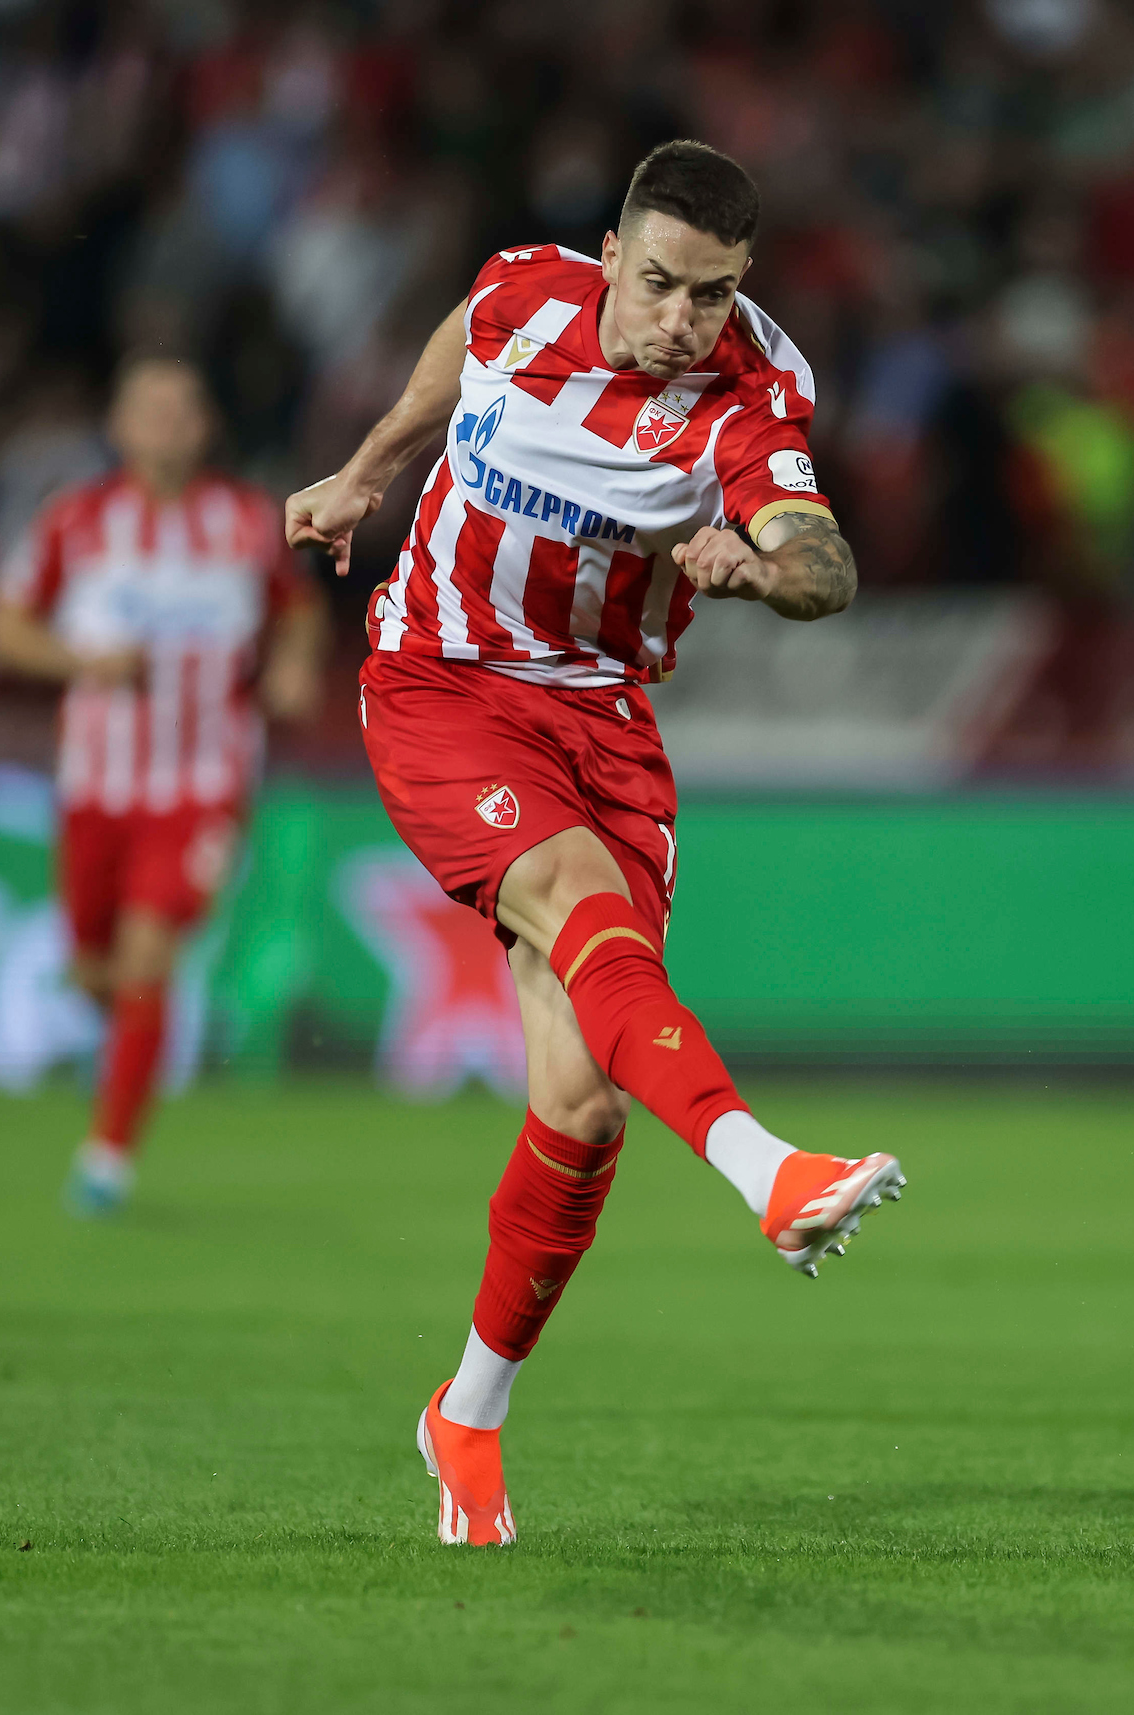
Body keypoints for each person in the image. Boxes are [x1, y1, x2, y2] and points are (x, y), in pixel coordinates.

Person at [283, 140, 905, 1548]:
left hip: (605, 722)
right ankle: (767, 1169)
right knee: (568, 895)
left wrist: (763, 568)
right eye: (666, 286)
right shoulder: (527, 289)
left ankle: (470, 1412)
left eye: (717, 294)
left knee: (582, 1100)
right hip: (441, 678)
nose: (686, 322)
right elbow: (464, 339)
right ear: (613, 254)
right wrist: (367, 468)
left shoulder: (753, 394)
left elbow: (826, 558)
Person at [0, 358, 325, 1215]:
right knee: (96, 966)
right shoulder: (77, 521)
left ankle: (106, 1156)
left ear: (205, 426)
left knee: (148, 952)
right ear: (121, 428)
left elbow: (299, 608)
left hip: (204, 783)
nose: (169, 424)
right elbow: (6, 622)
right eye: (151, 410)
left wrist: (291, 667)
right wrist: (79, 662)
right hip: (96, 783)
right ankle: (126, 1056)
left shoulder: (247, 522)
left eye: (184, 409)